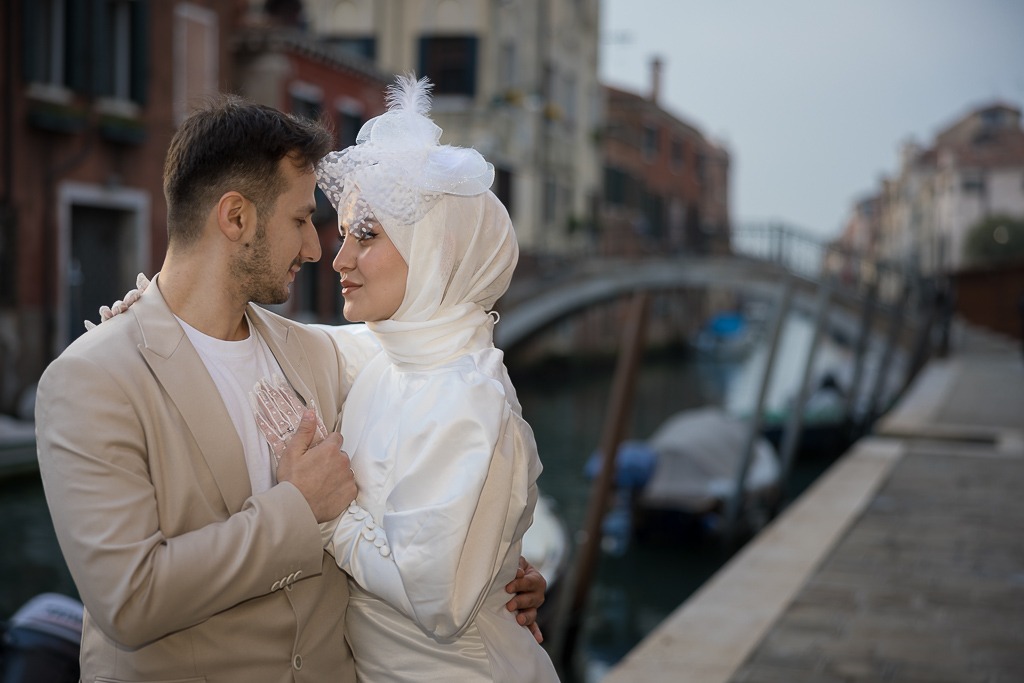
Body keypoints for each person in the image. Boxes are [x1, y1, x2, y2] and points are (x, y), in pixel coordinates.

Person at [36, 94, 545, 683]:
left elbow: (437, 363)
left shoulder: (319, 352)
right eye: (302, 220)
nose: (316, 249)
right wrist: (299, 511)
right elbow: (129, 601)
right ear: (235, 218)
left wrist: (491, 563)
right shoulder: (90, 380)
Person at [251, 74, 559, 682]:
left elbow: (439, 607)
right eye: (344, 236)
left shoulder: (468, 398)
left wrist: (328, 513)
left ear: (437, 255)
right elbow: (264, 333)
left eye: (365, 236)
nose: (338, 259)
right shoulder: (386, 358)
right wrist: (152, 310)